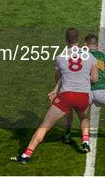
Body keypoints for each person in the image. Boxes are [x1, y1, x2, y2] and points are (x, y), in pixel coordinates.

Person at [11, 28, 98, 164]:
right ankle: (85, 141)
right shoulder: (91, 57)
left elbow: (58, 78)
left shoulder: (59, 57)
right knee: (83, 117)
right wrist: (82, 75)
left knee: (44, 126)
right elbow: (95, 78)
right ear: (79, 39)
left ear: (66, 40)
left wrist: (55, 90)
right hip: (83, 96)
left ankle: (25, 156)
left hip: (66, 96)